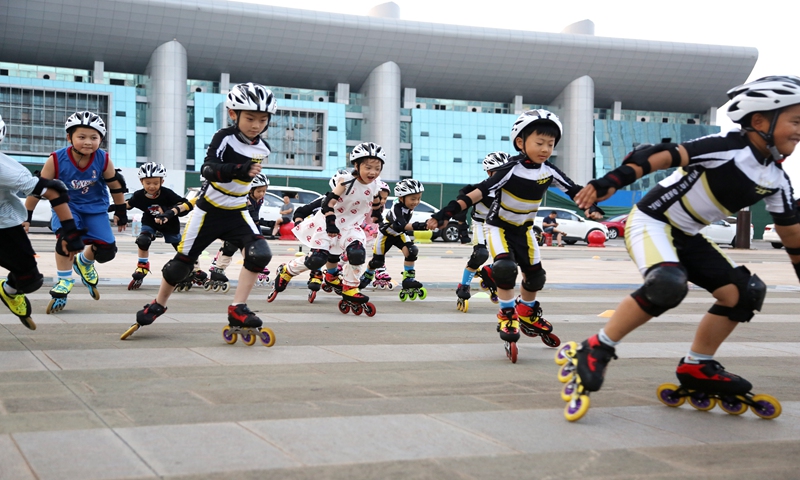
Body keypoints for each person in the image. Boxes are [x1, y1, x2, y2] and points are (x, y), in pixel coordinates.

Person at [561, 75, 800, 421]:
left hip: (687, 233)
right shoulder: (729, 146)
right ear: (761, 121)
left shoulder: (777, 179)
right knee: (668, 284)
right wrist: (611, 181)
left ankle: (696, 366)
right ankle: (598, 345)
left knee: (745, 292)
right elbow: (662, 155)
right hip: (651, 221)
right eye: (795, 121)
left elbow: (792, 237)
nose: (799, 131)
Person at [428, 109, 603, 360]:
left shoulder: (549, 171)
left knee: (535, 279)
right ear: (521, 143)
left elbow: (574, 190)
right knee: (505, 269)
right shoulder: (511, 169)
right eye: (539, 143)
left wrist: (591, 206)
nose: (545, 149)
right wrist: (447, 212)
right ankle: (507, 314)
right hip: (499, 226)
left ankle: (527, 311)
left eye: (550, 144)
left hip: (525, 230)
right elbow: (480, 191)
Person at [125, 83, 276, 339]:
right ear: (232, 114)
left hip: (238, 210)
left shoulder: (263, 149)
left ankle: (238, 307)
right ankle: (158, 304)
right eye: (250, 118)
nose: (256, 125)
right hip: (209, 211)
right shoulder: (224, 137)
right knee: (180, 266)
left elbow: (246, 179)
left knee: (260, 253)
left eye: (263, 119)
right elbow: (208, 169)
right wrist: (239, 169)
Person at [24, 111, 129, 314]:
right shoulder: (56, 159)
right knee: (67, 239)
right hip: (67, 208)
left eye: (94, 137)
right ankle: (64, 280)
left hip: (96, 209)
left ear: (101, 140)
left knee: (107, 252)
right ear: (69, 137)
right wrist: (26, 216)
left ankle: (84, 262)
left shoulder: (103, 159)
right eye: (82, 137)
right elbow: (39, 188)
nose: (88, 142)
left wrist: (121, 210)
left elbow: (116, 186)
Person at [270, 142, 384, 315]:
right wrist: (330, 221)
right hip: (328, 223)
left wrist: (377, 215)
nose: (373, 172)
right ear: (356, 165)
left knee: (357, 253)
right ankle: (288, 270)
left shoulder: (376, 184)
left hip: (351, 226)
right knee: (317, 259)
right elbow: (328, 202)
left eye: (377, 168)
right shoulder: (345, 181)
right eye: (368, 167)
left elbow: (375, 200)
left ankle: (350, 288)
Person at [0, 115, 86, 329]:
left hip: (4, 227)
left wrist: (70, 231)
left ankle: (9, 291)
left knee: (30, 280)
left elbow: (54, 192)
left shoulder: (7, 170)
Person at [125, 162, 197, 290]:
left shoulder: (167, 193)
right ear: (141, 182)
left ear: (162, 182)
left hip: (170, 224)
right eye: (148, 183)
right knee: (143, 240)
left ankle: (191, 268)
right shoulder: (138, 195)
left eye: (155, 183)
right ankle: (142, 266)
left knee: (180, 247)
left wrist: (171, 211)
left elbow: (183, 203)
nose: (151, 186)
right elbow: (127, 205)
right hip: (149, 222)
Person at [455, 151, 510, 312]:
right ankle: (464, 286)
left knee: (513, 257)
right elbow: (461, 201)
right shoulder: (480, 189)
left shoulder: (512, 190)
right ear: (489, 172)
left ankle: (488, 271)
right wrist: (462, 230)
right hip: (481, 223)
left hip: (499, 226)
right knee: (480, 255)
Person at [359, 179, 429, 300]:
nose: (416, 202)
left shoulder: (407, 206)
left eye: (418, 198)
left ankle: (408, 279)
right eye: (413, 199)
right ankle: (368, 274)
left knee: (412, 251)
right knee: (378, 262)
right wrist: (423, 226)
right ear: (401, 198)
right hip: (386, 235)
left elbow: (401, 229)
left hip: (398, 234)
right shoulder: (397, 208)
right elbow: (402, 225)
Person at [206, 173, 272, 292]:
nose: (262, 194)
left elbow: (255, 220)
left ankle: (220, 266)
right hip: (227, 222)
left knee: (251, 244)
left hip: (243, 225)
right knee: (231, 245)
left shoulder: (259, 199)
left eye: (264, 191)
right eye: (259, 191)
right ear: (250, 190)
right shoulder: (243, 198)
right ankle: (218, 268)